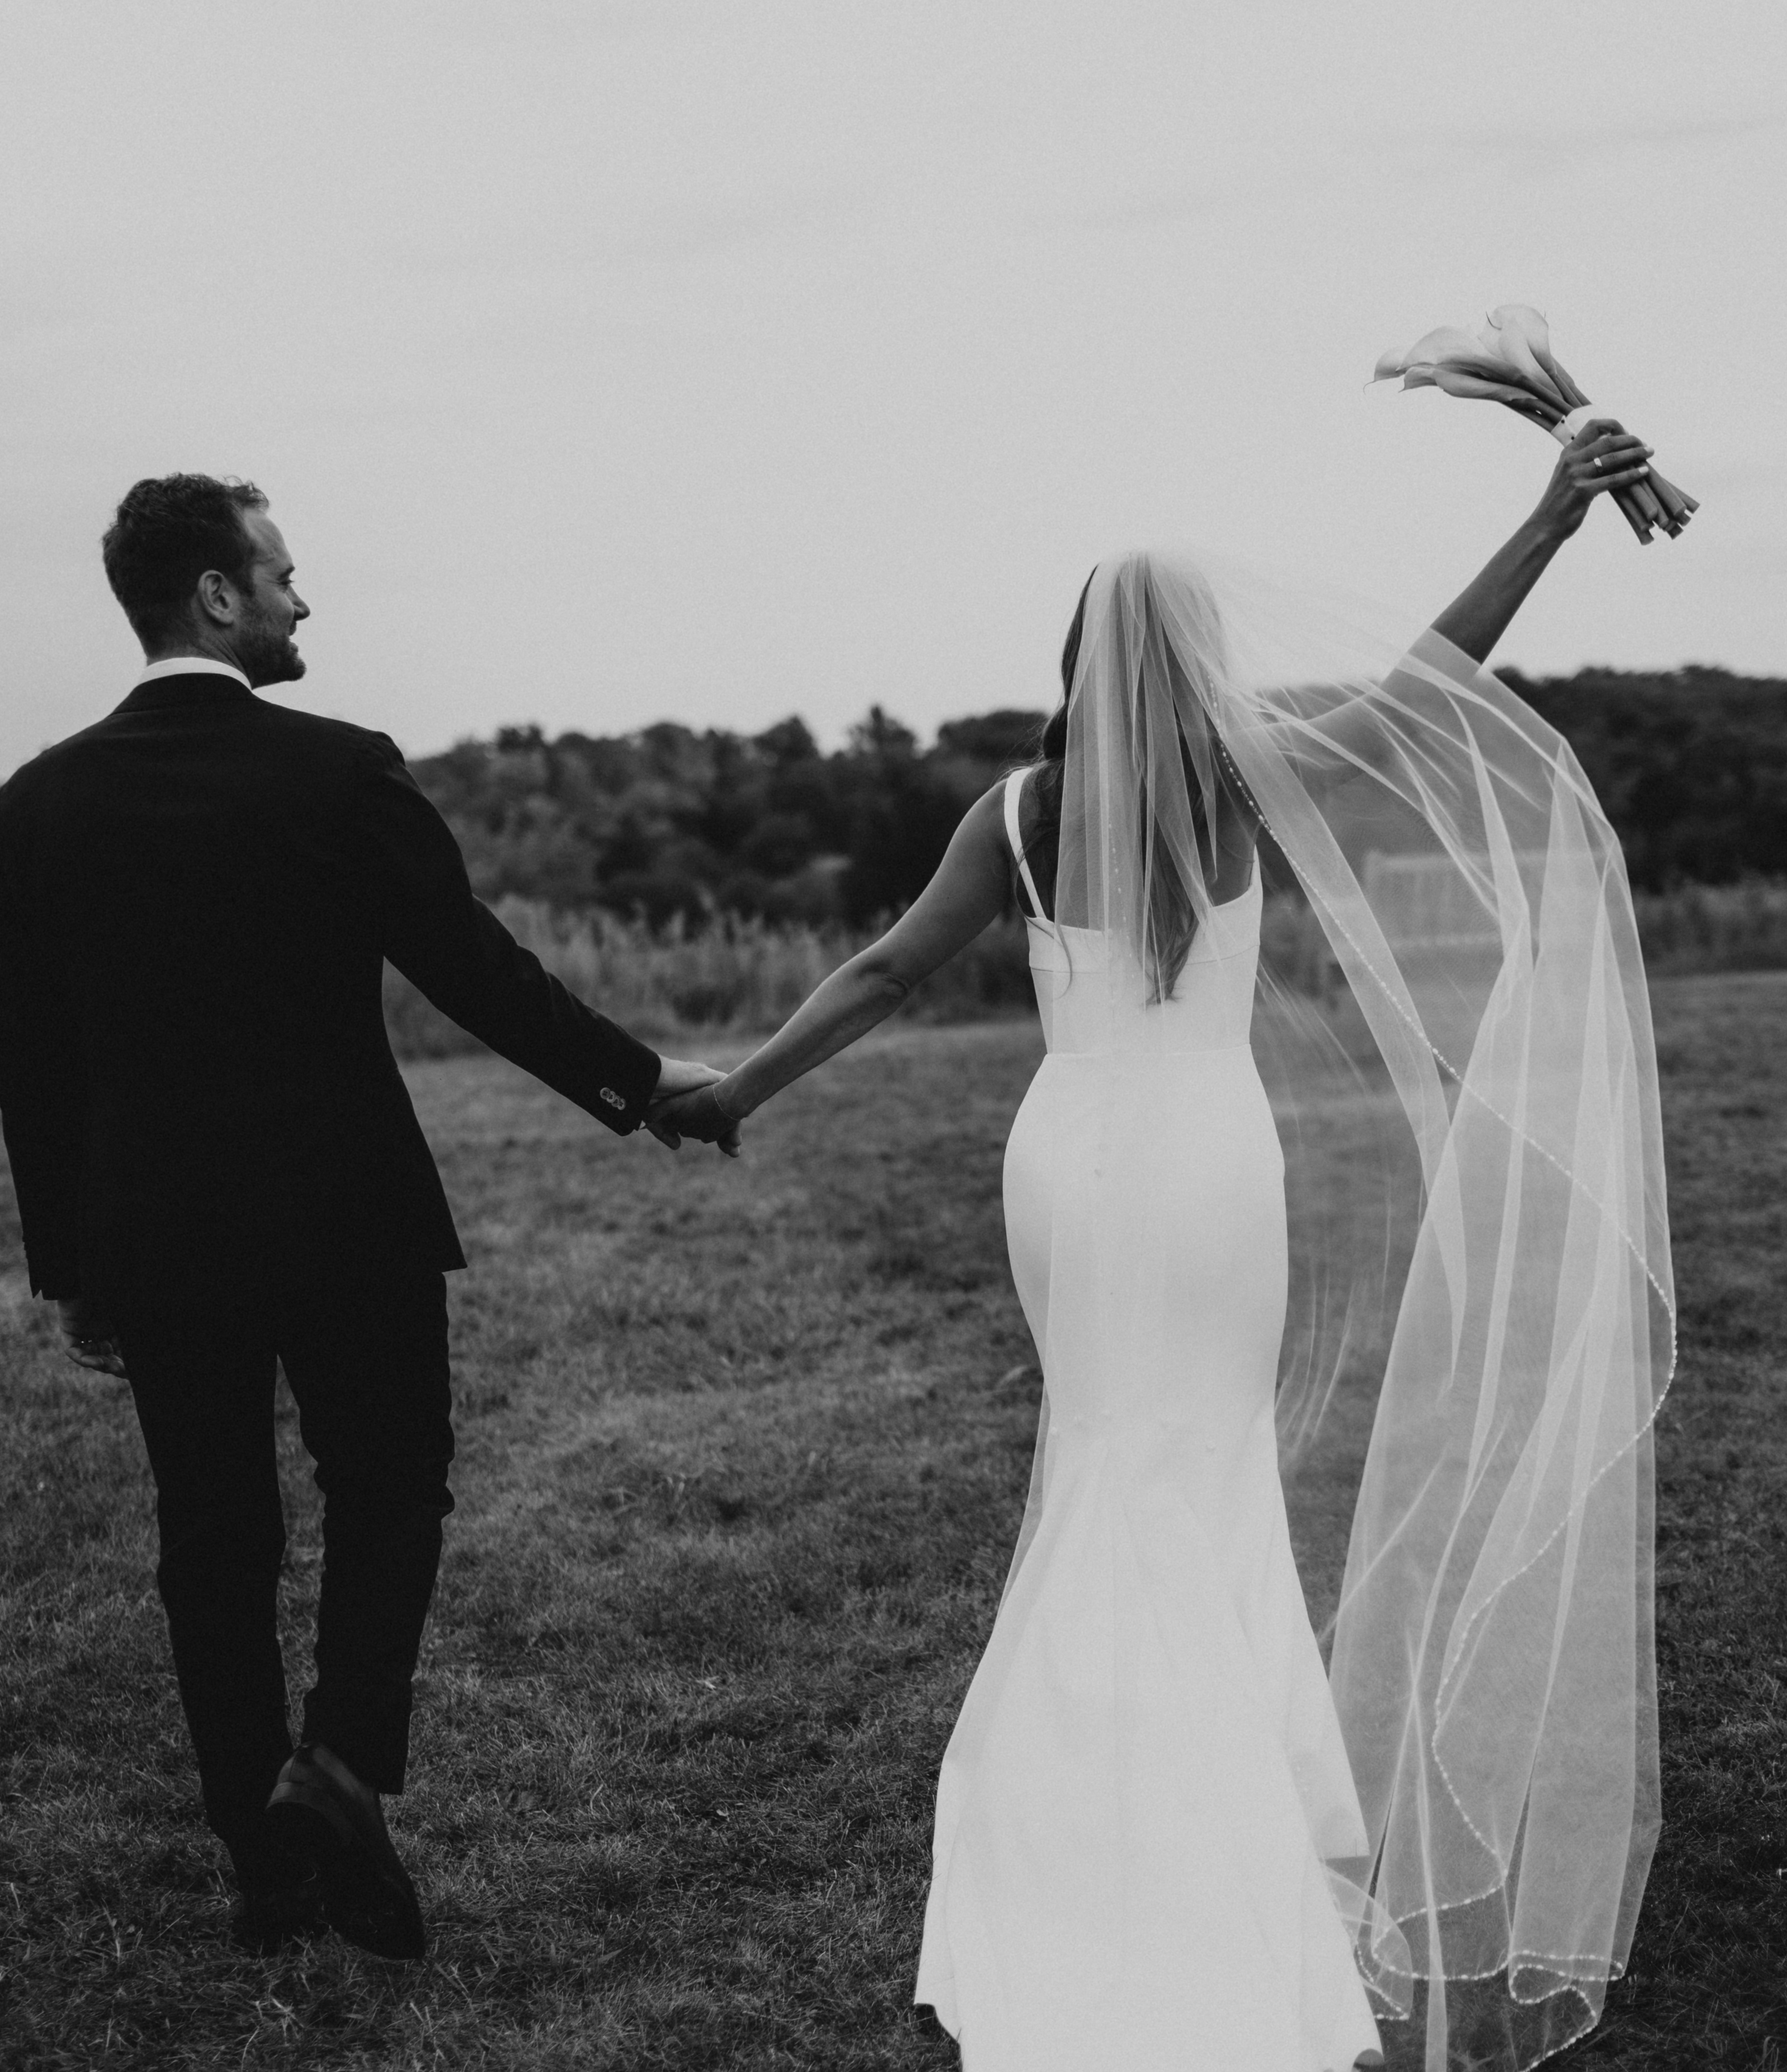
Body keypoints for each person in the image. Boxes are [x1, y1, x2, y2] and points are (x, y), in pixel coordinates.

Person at [651, 422, 1677, 2069]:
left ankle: (1100, 1783)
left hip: (1070, 1155)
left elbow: (886, 970)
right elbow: (1432, 684)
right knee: (1198, 1461)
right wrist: (1547, 517)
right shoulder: (1247, 779)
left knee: (1103, 1456)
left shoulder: (1020, 806)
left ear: (1076, 655)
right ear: (1196, 653)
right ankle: (1215, 1794)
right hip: (1208, 1157)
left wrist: (739, 1085)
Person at [0, 475, 726, 1959]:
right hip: (351, 1218)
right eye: (282, 574)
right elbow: (473, 964)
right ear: (216, 595)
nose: (301, 599)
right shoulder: (337, 770)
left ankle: (272, 1859)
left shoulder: (40, 802)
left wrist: (72, 1263)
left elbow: (32, 1056)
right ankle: (335, 1769)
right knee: (392, 1491)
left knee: (215, 1540)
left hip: (163, 1239)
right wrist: (642, 1079)